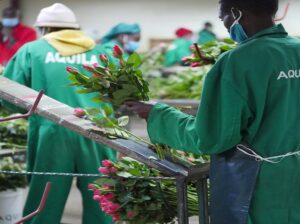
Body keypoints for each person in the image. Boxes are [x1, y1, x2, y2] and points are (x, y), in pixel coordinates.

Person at [126, 0, 300, 223]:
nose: (226, 26)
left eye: (224, 18)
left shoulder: (237, 61)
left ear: (236, 13)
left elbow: (212, 137)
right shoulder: (296, 50)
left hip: (259, 182)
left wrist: (158, 115)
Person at [2, 3, 116, 224]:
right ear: (75, 28)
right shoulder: (103, 53)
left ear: (45, 28)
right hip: (98, 135)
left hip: (51, 135)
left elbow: (8, 96)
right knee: (102, 201)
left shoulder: (31, 51)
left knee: (43, 204)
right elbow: (119, 96)